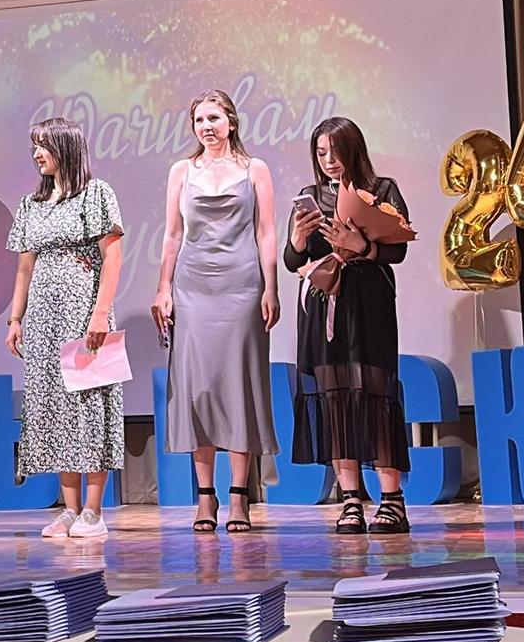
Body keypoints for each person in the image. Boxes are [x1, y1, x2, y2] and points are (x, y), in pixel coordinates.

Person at [153, 89, 280, 534]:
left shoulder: (254, 169)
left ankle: (239, 495)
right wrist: (163, 287)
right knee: (199, 387)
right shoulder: (181, 170)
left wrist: (270, 286)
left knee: (237, 384)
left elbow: (266, 232)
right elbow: (172, 234)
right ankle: (205, 496)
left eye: (213, 118)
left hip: (241, 284)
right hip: (193, 286)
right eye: (199, 120)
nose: (206, 127)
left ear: (231, 121)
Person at [284, 116, 411, 534]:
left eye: (335, 151)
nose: (329, 160)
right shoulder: (310, 196)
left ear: (353, 149)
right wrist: (298, 241)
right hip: (324, 305)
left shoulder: (382, 189)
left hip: (369, 303)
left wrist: (362, 246)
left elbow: (398, 252)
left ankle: (392, 500)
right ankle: (350, 498)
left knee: (376, 396)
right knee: (335, 400)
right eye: (321, 153)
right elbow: (292, 260)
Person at [5, 117, 124, 539]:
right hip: (43, 318)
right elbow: (25, 266)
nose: (37, 154)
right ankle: (70, 509)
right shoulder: (32, 203)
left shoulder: (96, 193)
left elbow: (112, 256)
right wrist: (15, 318)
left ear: (66, 147)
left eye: (44, 145)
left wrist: (100, 313)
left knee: (89, 405)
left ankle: (94, 510)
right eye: (34, 146)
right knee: (54, 408)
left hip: (83, 312)